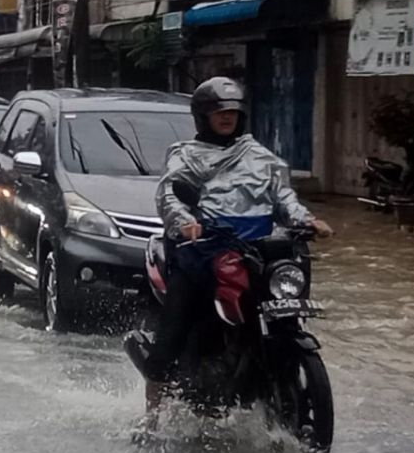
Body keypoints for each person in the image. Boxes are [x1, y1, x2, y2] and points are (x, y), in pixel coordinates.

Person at [125, 77, 333, 393]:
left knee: (285, 287)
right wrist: (185, 221)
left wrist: (307, 219)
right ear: (202, 116)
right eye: (218, 111)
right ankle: (153, 416)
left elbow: (284, 198)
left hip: (255, 250)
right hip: (202, 252)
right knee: (173, 334)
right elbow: (170, 194)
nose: (226, 117)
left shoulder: (261, 156)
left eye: (232, 112)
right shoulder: (185, 155)